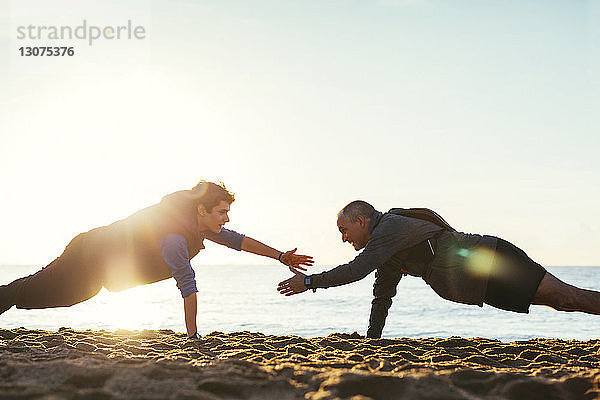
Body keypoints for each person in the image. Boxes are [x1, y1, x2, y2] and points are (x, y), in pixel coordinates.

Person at [0, 181, 313, 338]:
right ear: (202, 211)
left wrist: (281, 256)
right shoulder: (175, 237)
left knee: (59, 294)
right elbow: (187, 284)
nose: (227, 218)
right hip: (86, 255)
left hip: (96, 267)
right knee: (37, 291)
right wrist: (192, 337)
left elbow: (238, 241)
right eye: (222, 212)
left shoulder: (199, 226)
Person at [277, 200, 600, 338]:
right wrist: (372, 340)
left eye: (344, 231)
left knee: (566, 297)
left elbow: (357, 269)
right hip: (481, 281)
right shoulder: (387, 251)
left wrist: (310, 281)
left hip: (488, 260)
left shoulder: (390, 227)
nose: (344, 239)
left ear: (361, 221)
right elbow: (382, 295)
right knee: (563, 302)